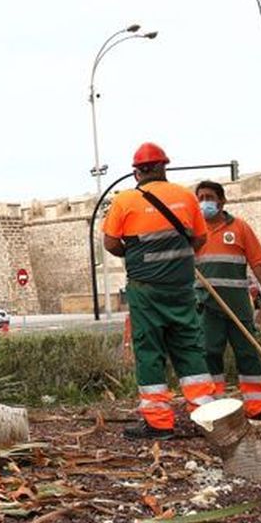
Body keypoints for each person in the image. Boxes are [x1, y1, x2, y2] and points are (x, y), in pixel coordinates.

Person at [102, 142, 220, 441]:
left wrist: (139, 254)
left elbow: (111, 243)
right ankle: (205, 416)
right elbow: (199, 240)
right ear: (163, 167)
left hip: (146, 289)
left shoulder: (125, 201)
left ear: (136, 172)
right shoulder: (184, 196)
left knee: (149, 351)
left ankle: (158, 422)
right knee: (189, 347)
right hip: (181, 288)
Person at [194, 180, 261, 420]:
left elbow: (257, 262)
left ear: (222, 201)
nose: (204, 202)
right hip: (207, 304)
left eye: (209, 197)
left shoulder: (240, 228)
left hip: (238, 305)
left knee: (248, 353)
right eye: (200, 198)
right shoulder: (194, 233)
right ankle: (216, 408)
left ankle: (258, 406)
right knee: (209, 353)